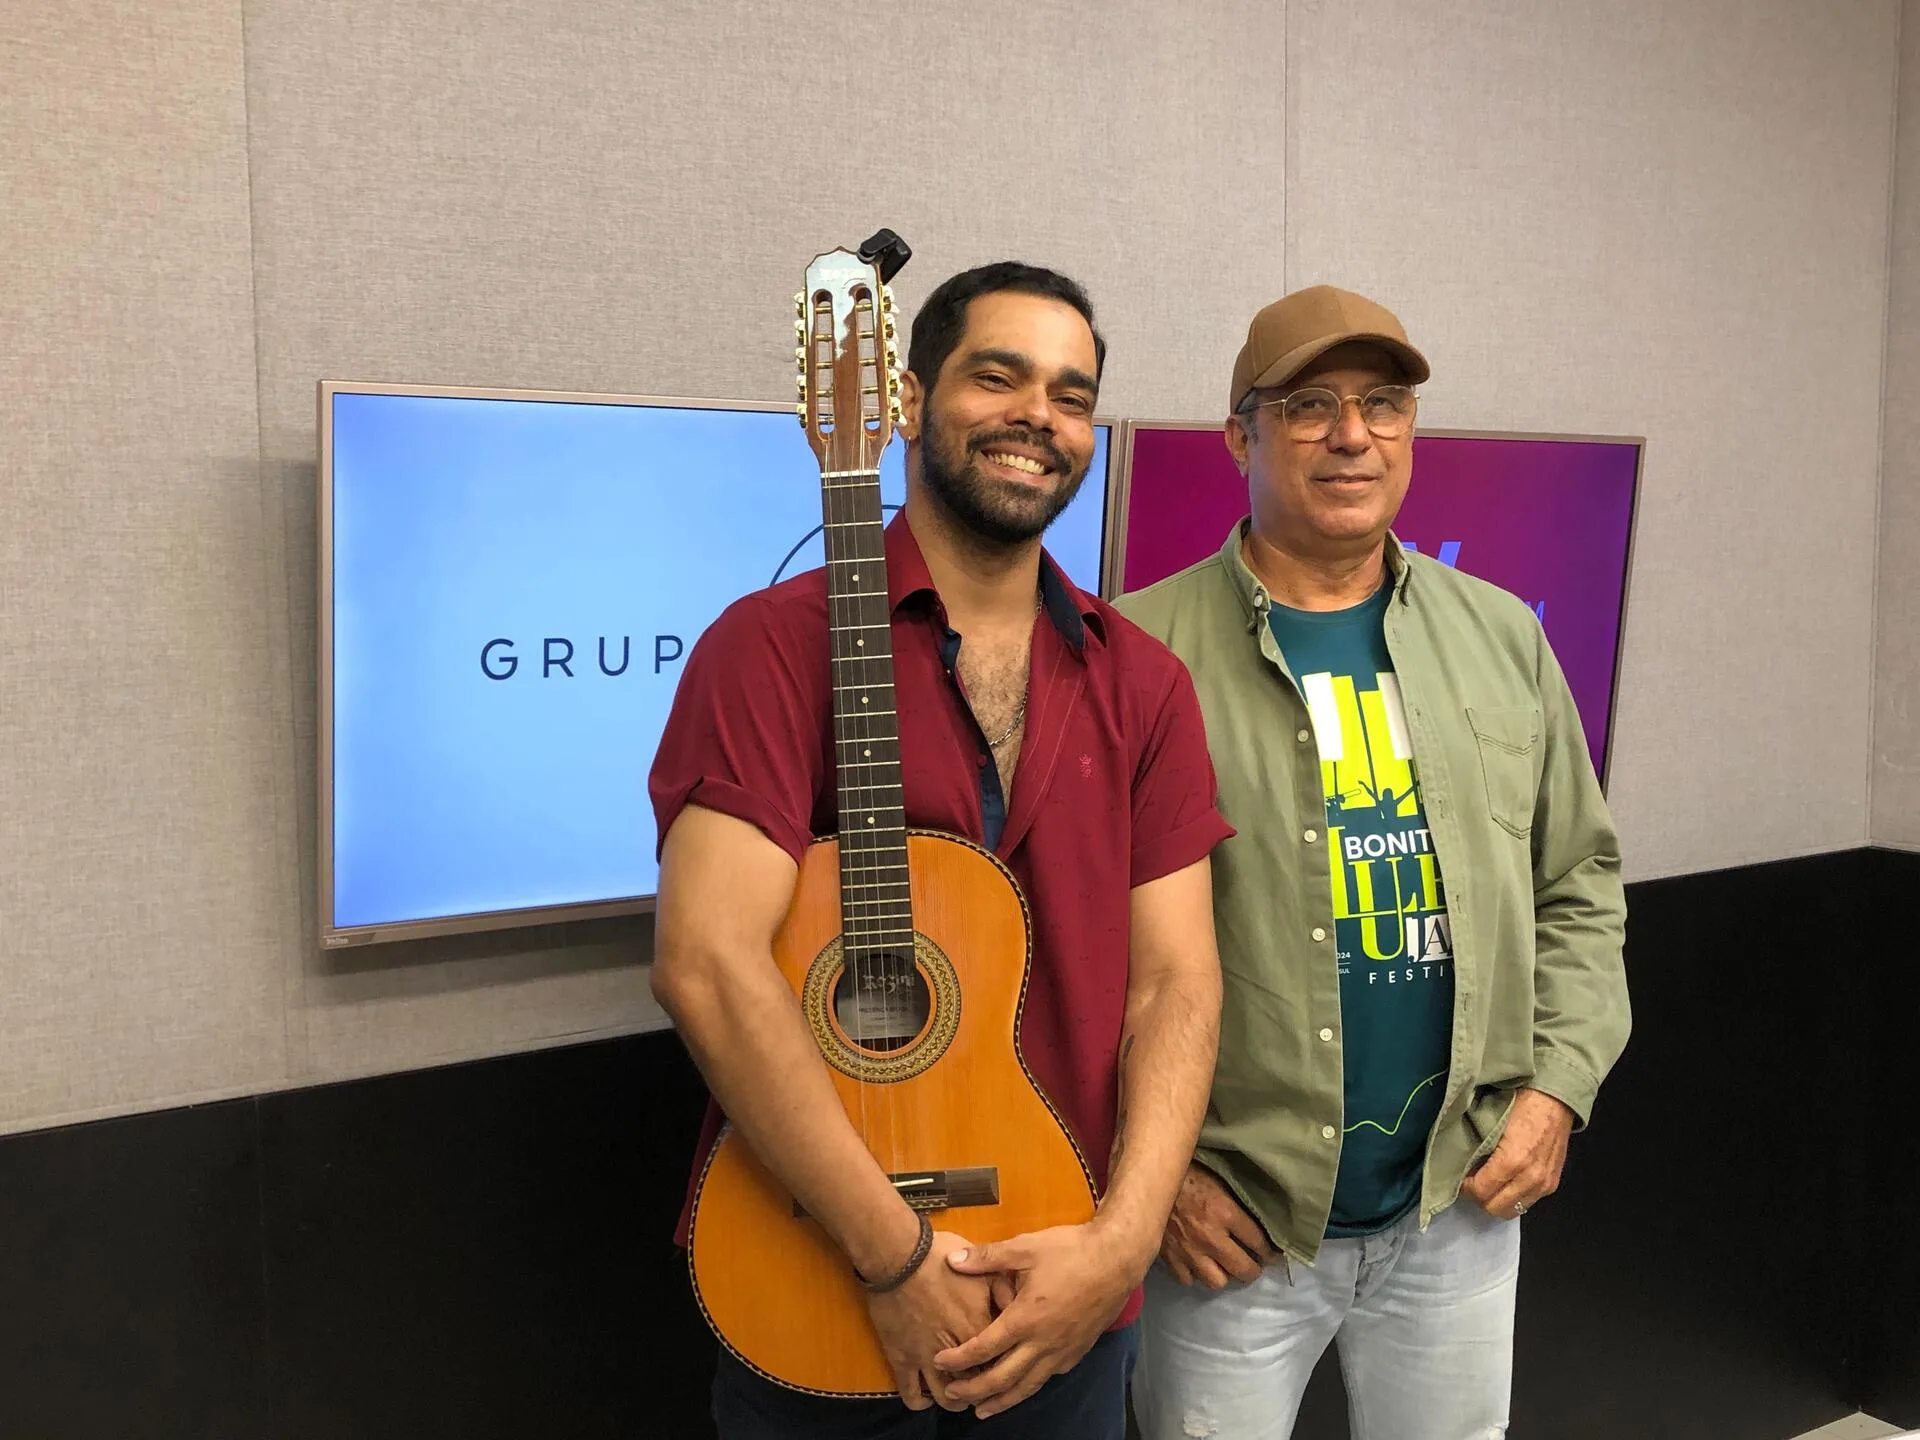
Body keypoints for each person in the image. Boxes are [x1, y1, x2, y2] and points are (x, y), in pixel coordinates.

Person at [648, 261, 1233, 1438]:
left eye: (1071, 395)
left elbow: (1177, 984)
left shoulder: (1145, 683)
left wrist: (1118, 1252)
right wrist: (892, 1256)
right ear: (908, 402)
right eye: (998, 376)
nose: (1037, 417)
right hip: (811, 1272)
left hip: (1062, 1289)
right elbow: (707, 963)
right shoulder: (770, 648)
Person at [1113, 284, 1631, 1438]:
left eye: (1383, 403)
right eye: (1310, 405)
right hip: (1231, 1229)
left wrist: (1558, 1090)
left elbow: (1579, 886)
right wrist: (1153, 1184)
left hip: (1456, 1209)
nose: (1353, 434)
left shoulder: (1504, 636)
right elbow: (1062, 955)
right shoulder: (1134, 654)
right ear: (1240, 435)